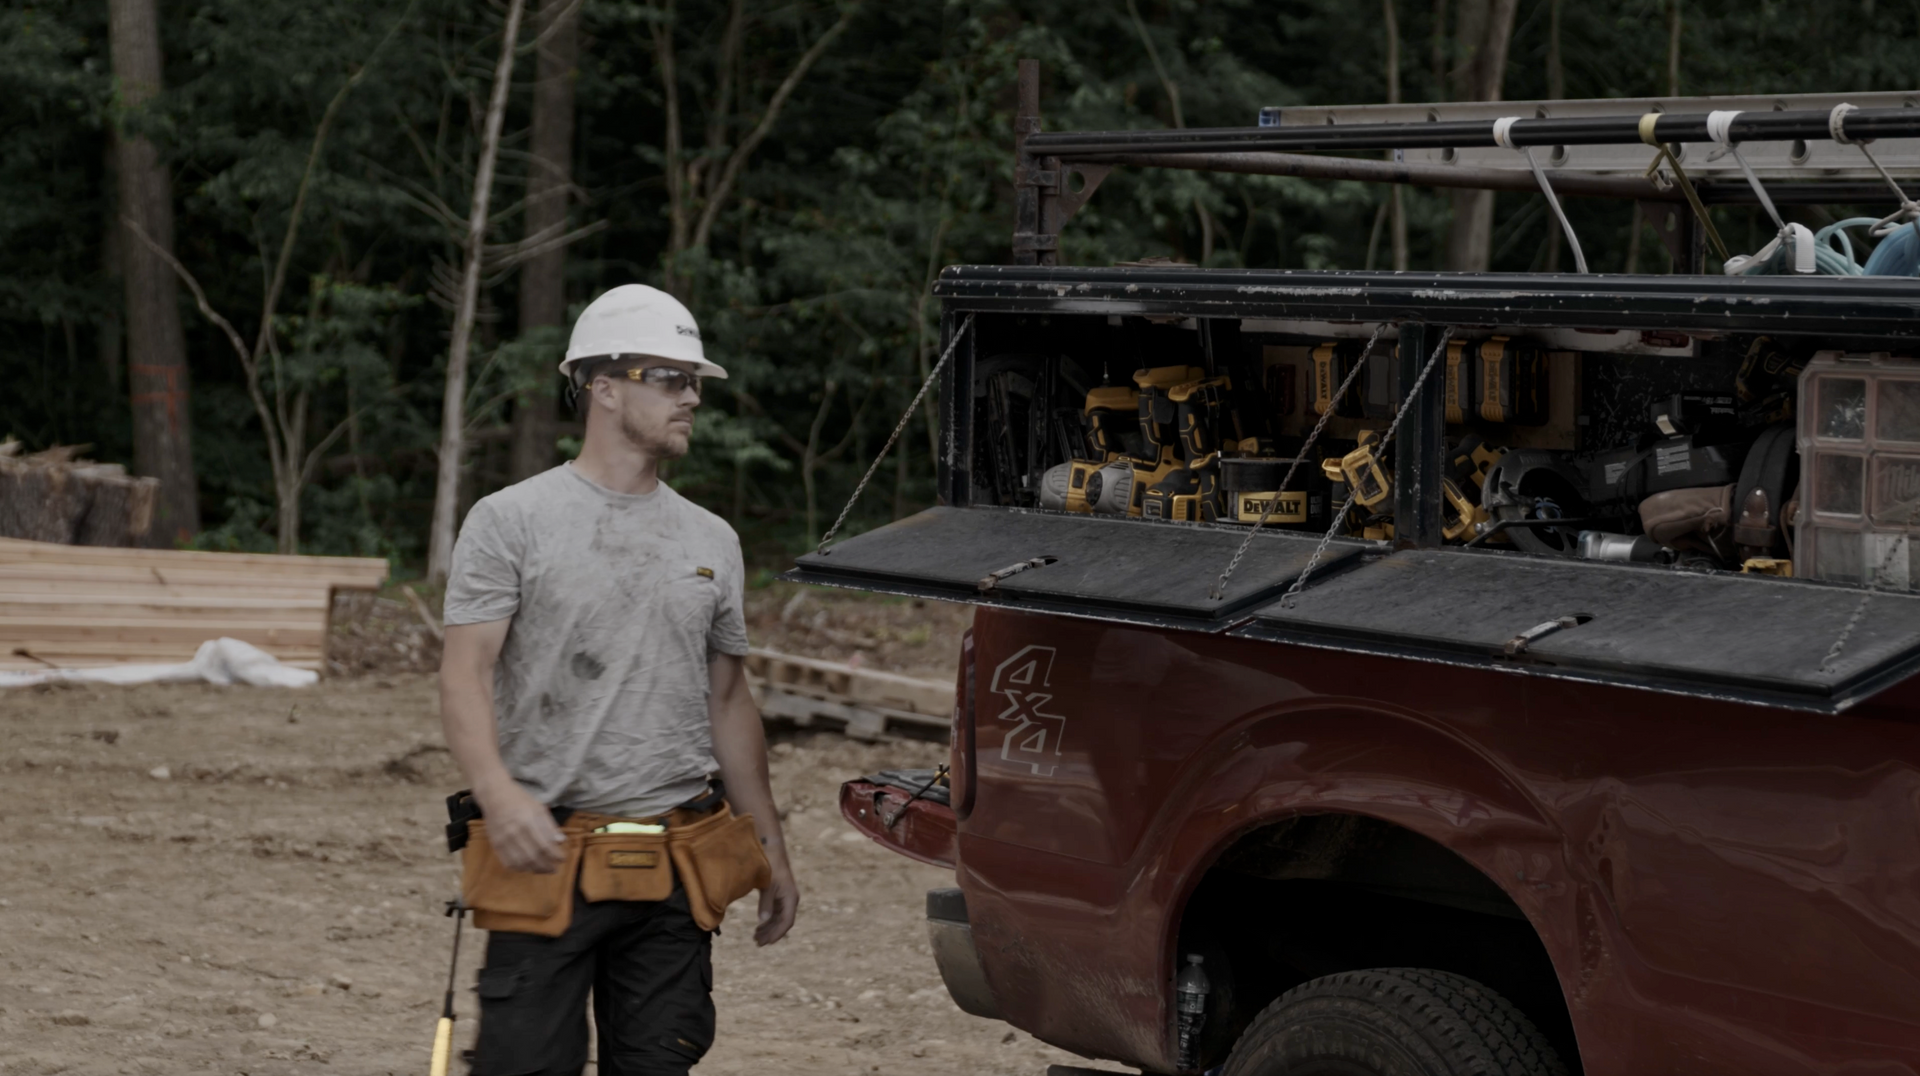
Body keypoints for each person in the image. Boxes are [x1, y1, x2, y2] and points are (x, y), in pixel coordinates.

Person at [438, 283, 799, 1076]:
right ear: (603, 387)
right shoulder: (512, 520)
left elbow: (729, 700)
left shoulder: (713, 538)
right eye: (670, 377)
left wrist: (769, 846)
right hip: (543, 855)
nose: (692, 396)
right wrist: (498, 797)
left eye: (694, 380)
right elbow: (464, 673)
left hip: (676, 863)